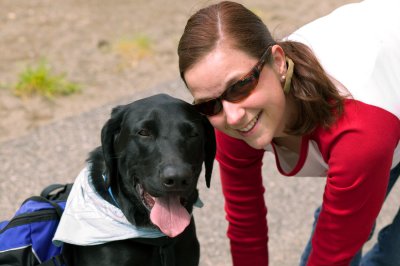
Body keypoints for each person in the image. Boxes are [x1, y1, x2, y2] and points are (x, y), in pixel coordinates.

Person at [177, 0, 400, 265]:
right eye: (209, 104)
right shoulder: (230, 112)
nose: (233, 115)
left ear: (279, 61)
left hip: (374, 120)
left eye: (239, 86)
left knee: (392, 249)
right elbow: (245, 224)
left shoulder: (359, 132)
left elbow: (333, 250)